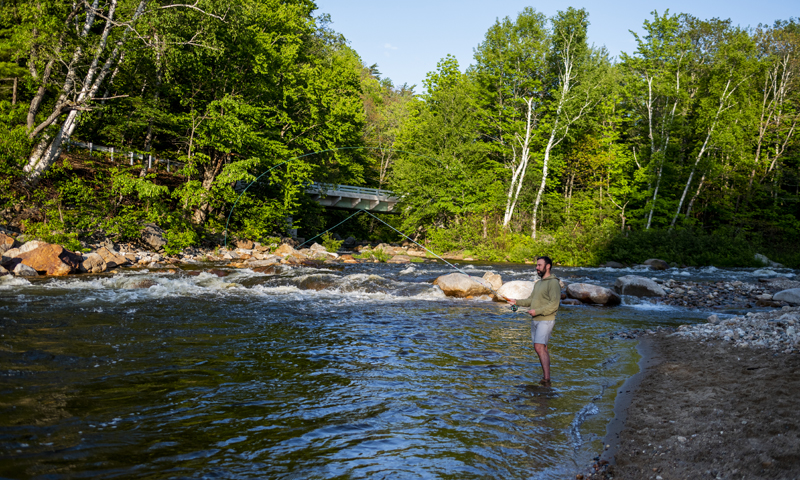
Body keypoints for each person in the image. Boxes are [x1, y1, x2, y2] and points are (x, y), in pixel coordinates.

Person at [507, 256, 561, 386]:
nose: (536, 268)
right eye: (536, 265)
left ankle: (546, 379)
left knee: (538, 347)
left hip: (546, 320)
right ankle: (547, 378)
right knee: (542, 348)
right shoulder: (538, 283)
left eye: (539, 265)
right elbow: (531, 300)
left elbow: (554, 304)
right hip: (536, 320)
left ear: (547, 266)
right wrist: (516, 302)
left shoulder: (553, 283)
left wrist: (536, 311)